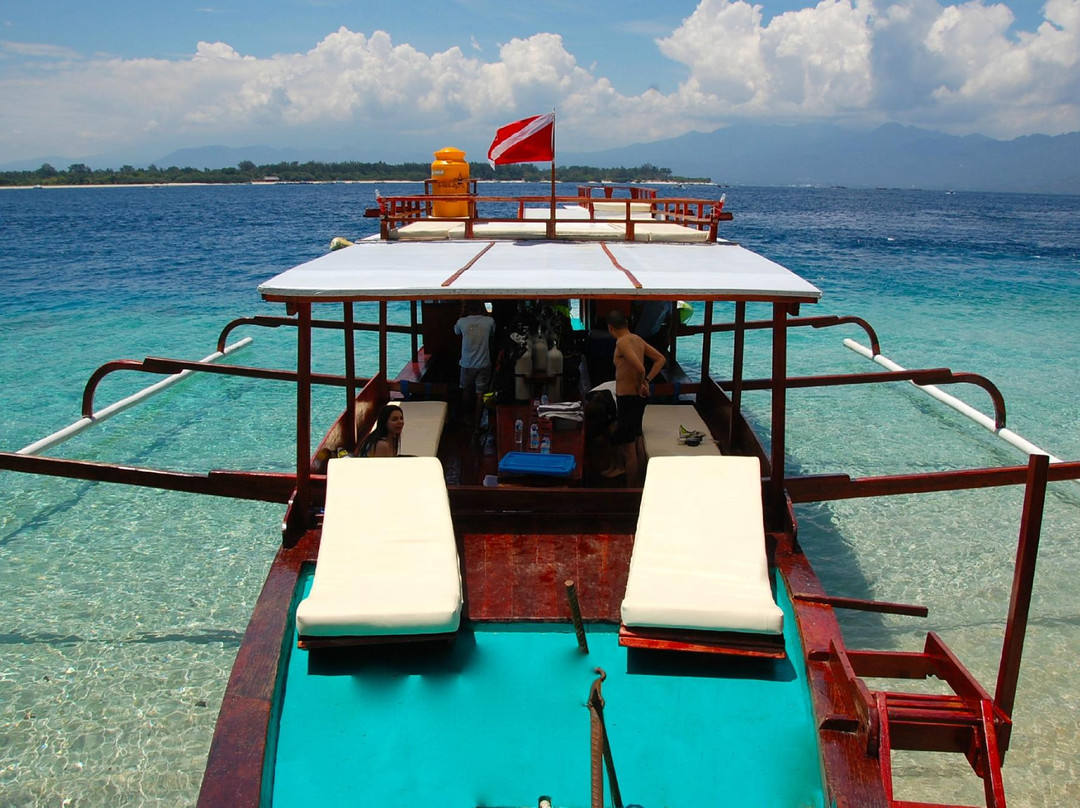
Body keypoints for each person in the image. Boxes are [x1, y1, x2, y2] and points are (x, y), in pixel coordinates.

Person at [603, 309, 666, 486]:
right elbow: (660, 359)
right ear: (627, 324)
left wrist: (641, 384)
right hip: (635, 399)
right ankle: (631, 478)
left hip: (629, 398)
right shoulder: (637, 339)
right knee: (635, 438)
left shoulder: (622, 342)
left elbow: (639, 368)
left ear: (610, 328)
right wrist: (647, 381)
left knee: (629, 447)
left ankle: (632, 491)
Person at [454, 300, 496, 428]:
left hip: (466, 364)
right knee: (480, 394)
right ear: (481, 308)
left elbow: (456, 331)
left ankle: (466, 417)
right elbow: (492, 332)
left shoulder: (462, 322)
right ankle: (478, 423)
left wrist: (462, 312)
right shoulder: (489, 321)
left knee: (466, 391)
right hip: (483, 364)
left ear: (467, 309)